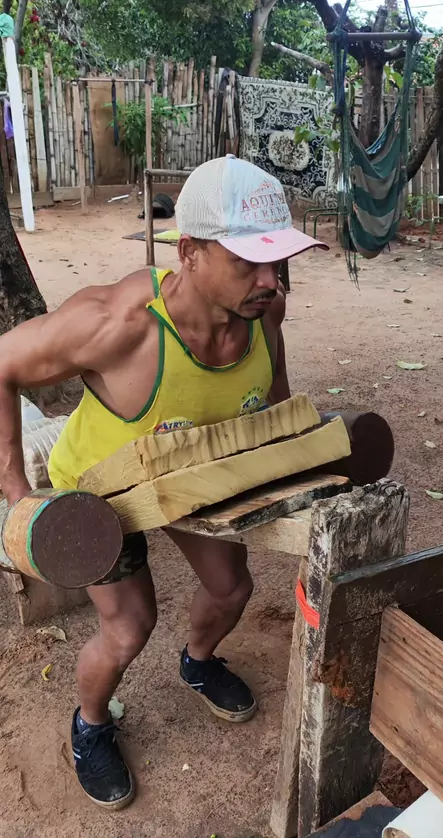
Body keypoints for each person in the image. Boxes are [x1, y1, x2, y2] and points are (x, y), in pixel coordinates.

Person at [0, 155, 327, 810]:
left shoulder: (265, 311)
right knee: (129, 628)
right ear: (190, 253)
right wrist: (19, 500)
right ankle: (91, 725)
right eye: (248, 261)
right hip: (100, 495)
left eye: (277, 259)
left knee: (232, 589)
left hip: (185, 472)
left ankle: (198, 662)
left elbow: (275, 396)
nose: (270, 280)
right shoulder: (118, 325)